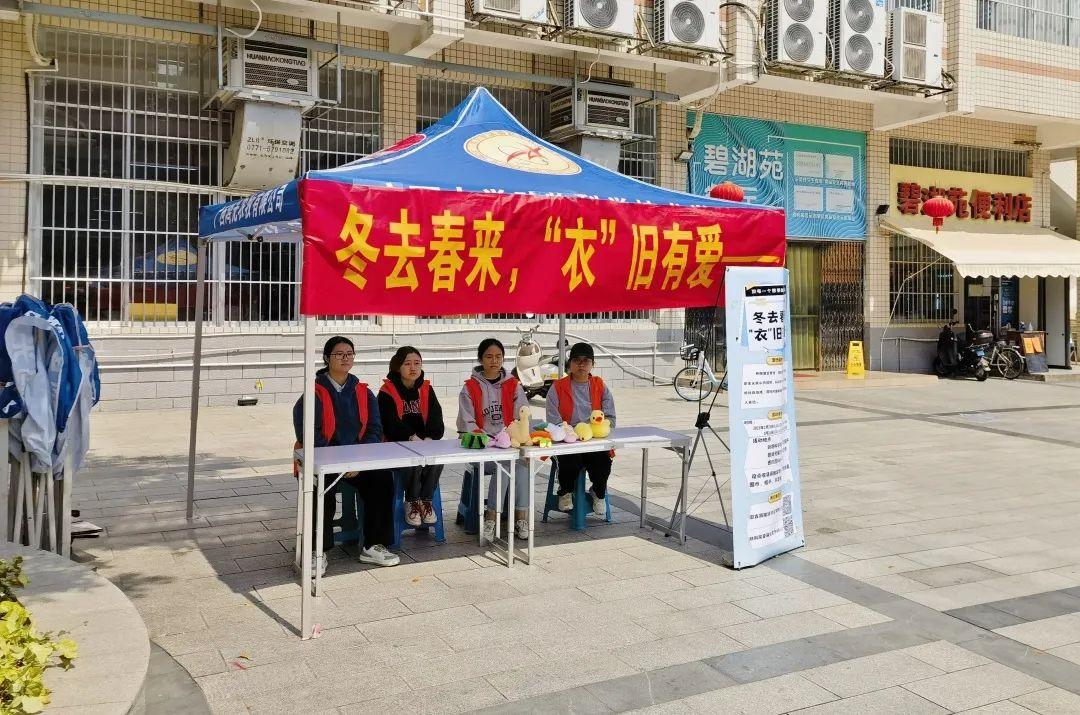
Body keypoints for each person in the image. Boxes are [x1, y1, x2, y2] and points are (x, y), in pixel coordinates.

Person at [293, 336, 400, 576]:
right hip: (323, 462)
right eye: (339, 354)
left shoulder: (363, 391)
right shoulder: (313, 393)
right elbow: (308, 434)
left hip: (357, 462)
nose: (345, 358)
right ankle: (317, 551)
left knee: (382, 479)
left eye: (349, 354)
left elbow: (375, 428)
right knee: (319, 489)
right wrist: (339, 463)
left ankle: (373, 545)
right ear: (326, 358)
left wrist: (358, 460)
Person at [457, 338, 532, 543]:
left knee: (522, 463)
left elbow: (522, 417)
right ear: (481, 359)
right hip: (482, 448)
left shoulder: (514, 385)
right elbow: (466, 423)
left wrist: (512, 437)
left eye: (498, 357)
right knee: (505, 463)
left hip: (508, 445)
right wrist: (490, 441)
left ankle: (520, 517)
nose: (494, 361)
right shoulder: (469, 388)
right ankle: (491, 518)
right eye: (489, 357)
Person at [545, 342, 616, 517]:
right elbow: (553, 419)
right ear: (570, 364)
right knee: (570, 461)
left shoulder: (600, 386)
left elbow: (610, 418)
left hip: (593, 441)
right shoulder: (558, 387)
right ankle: (565, 491)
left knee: (603, 462)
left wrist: (598, 430)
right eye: (577, 360)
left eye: (586, 360)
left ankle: (598, 493)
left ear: (593, 364)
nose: (581, 364)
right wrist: (567, 432)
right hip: (567, 440)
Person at [378, 346, 445, 528]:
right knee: (412, 460)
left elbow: (436, 417)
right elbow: (390, 424)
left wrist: (430, 439)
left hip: (423, 443)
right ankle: (412, 501)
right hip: (396, 445)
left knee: (437, 458)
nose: (413, 368)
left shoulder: (426, 389)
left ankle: (426, 500)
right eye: (407, 364)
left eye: (417, 363)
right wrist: (412, 438)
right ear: (397, 366)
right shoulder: (386, 391)